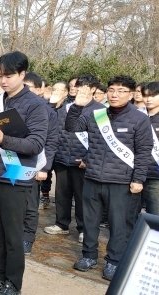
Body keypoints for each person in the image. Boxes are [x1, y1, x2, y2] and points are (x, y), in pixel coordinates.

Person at [0, 51, 49, 295]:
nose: (3, 81)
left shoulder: (35, 105)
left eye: (9, 75)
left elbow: (35, 144)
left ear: (22, 74)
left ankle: (13, 284)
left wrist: (4, 139)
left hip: (15, 178)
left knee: (13, 236)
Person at [66, 75, 153, 281]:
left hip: (121, 182)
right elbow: (72, 127)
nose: (115, 94)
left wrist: (138, 180)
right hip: (93, 178)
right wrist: (77, 107)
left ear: (131, 94)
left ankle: (114, 261)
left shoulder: (139, 119)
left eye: (121, 91)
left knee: (118, 224)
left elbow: (143, 152)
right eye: (112, 89)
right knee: (90, 221)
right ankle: (88, 256)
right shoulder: (97, 114)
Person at [44, 75, 105, 245]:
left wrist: (88, 158)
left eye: (84, 86)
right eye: (77, 86)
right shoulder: (67, 107)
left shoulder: (100, 110)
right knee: (62, 195)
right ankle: (61, 224)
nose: (79, 89)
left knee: (82, 197)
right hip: (63, 158)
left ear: (93, 89)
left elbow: (101, 140)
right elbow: (57, 131)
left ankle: (83, 228)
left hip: (83, 162)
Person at [22, 72, 60, 256]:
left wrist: (44, 168)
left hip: (35, 163)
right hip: (12, 161)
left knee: (30, 205)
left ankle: (27, 238)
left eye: (28, 87)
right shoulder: (11, 104)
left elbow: (51, 141)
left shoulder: (47, 111)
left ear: (39, 90)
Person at [140, 81, 159, 215]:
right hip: (134, 173)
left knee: (155, 214)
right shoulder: (136, 116)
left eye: (153, 95)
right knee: (129, 214)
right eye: (145, 96)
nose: (148, 99)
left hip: (155, 176)